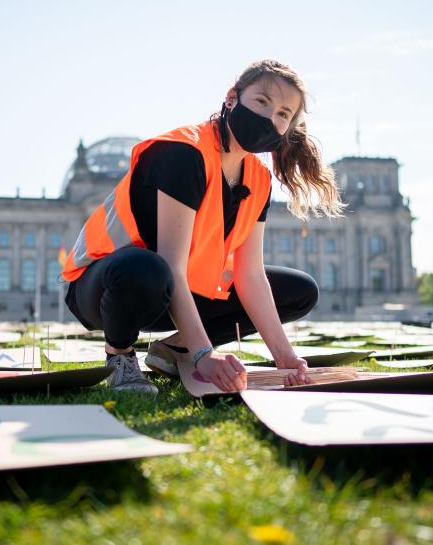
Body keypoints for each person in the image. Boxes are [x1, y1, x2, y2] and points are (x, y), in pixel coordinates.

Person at [61, 59, 345, 395]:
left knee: (299, 290)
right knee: (147, 268)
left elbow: (250, 275)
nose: (270, 117)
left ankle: (174, 349)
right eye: (262, 102)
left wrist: (286, 358)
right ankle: (120, 356)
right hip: (109, 288)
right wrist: (205, 354)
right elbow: (172, 267)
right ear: (232, 98)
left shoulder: (258, 178)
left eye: (283, 114)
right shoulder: (184, 153)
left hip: (174, 292)